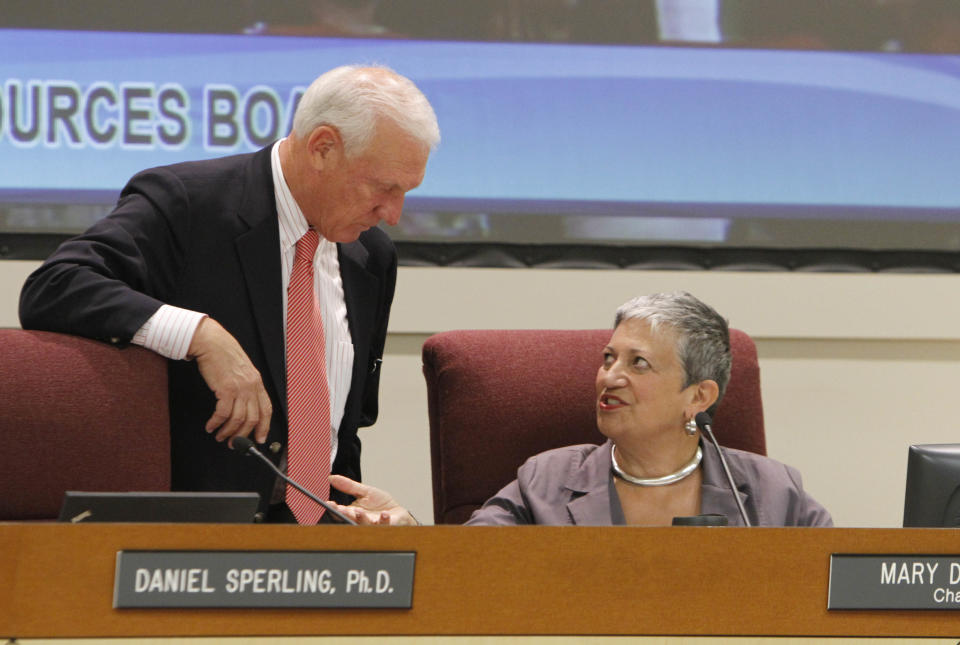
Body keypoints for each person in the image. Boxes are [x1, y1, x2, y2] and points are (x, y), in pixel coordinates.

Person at [19, 65, 440, 523]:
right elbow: (56, 285)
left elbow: (344, 426)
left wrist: (358, 516)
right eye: (384, 188)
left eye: (406, 193)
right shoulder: (187, 203)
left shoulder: (370, 255)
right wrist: (201, 335)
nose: (394, 214)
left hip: (319, 544)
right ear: (322, 148)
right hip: (194, 544)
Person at [329, 291, 832, 527]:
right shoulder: (544, 482)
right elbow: (470, 569)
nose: (611, 376)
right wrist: (410, 530)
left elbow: (838, 585)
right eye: (609, 358)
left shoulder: (771, 496)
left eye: (639, 364)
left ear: (698, 397)